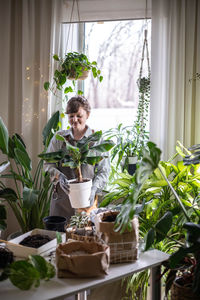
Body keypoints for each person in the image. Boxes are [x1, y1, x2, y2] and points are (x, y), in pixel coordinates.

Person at [45, 95, 110, 223]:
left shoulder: (96, 140)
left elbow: (104, 171)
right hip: (61, 204)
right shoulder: (59, 138)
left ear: (88, 115)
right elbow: (48, 165)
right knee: (60, 240)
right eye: (71, 116)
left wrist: (94, 189)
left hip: (87, 203)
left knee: (84, 240)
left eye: (79, 115)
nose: (74, 120)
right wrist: (59, 177)